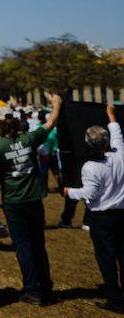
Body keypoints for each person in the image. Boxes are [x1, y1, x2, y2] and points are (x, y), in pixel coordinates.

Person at [0, 93, 62, 305]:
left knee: (24, 246)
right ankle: (45, 286)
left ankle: (32, 290)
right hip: (34, 198)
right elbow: (50, 122)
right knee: (38, 243)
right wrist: (56, 104)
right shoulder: (28, 139)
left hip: (14, 201)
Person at [64, 103, 124, 313]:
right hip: (121, 213)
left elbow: (89, 194)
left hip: (102, 217)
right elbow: (117, 134)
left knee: (106, 258)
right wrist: (111, 115)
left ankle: (115, 299)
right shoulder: (119, 155)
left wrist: (70, 192)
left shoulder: (90, 167)